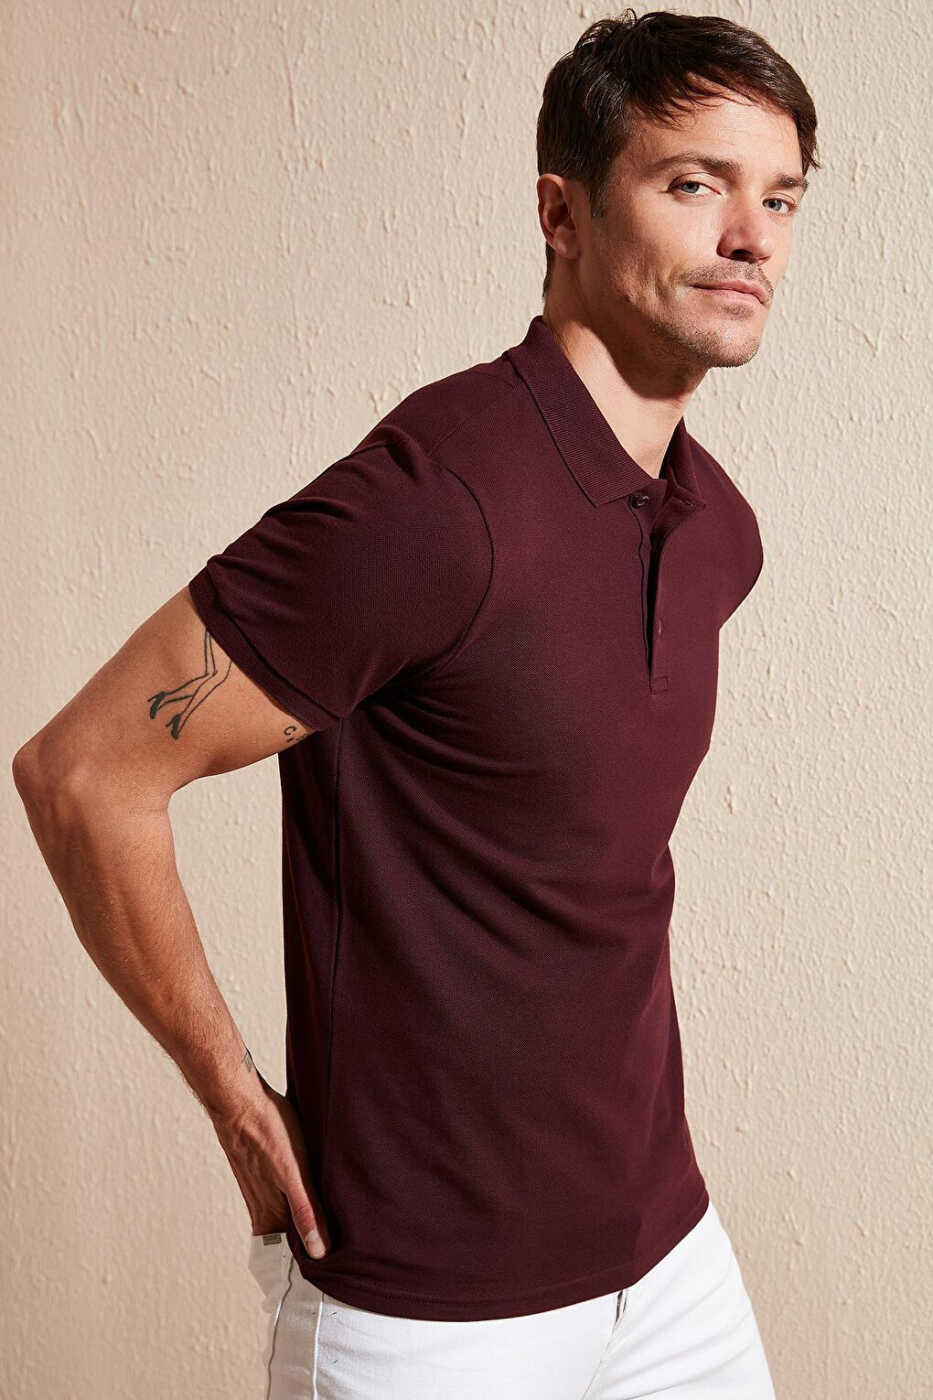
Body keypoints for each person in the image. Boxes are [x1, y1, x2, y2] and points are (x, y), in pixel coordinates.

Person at [12, 9, 819, 1397]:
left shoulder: (714, 532)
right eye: (694, 182)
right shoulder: (433, 503)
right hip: (431, 1313)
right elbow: (84, 774)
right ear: (561, 214)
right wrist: (232, 1095)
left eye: (781, 198)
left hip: (665, 1262)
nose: (749, 235)